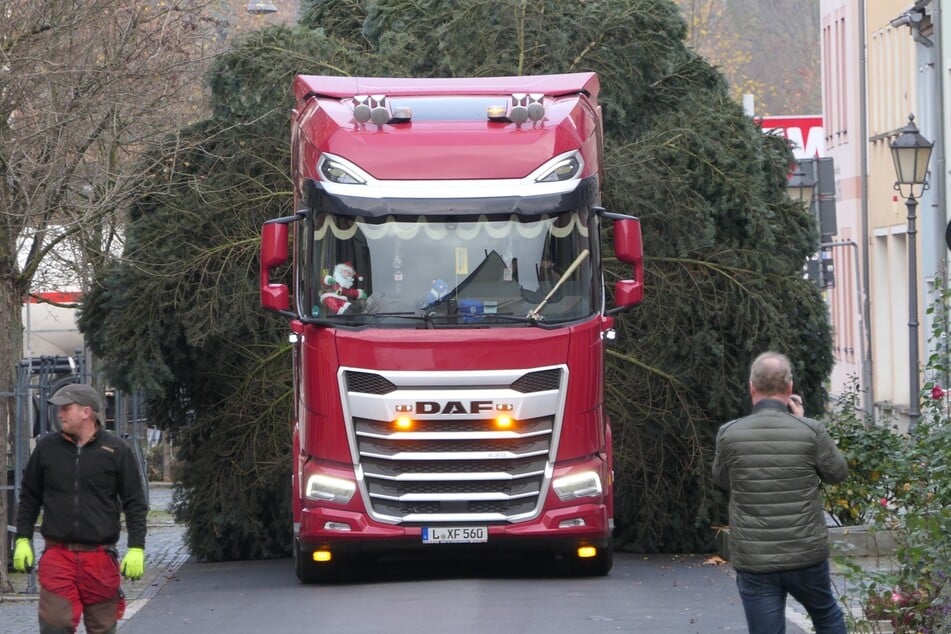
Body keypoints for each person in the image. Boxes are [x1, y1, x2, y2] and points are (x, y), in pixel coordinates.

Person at [712, 352, 849, 634]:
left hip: (756, 558)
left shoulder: (730, 434)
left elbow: (723, 481)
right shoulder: (810, 431)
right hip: (805, 555)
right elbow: (837, 473)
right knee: (826, 617)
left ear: (752, 388)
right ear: (789, 389)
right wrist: (802, 421)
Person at [12, 383, 148, 634]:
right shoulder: (46, 448)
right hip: (58, 555)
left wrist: (137, 547)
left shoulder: (117, 451)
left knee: (102, 628)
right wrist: (22, 538)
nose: (59, 413)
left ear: (86, 412)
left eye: (66, 408)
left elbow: (135, 502)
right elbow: (30, 496)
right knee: (55, 625)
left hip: (99, 558)